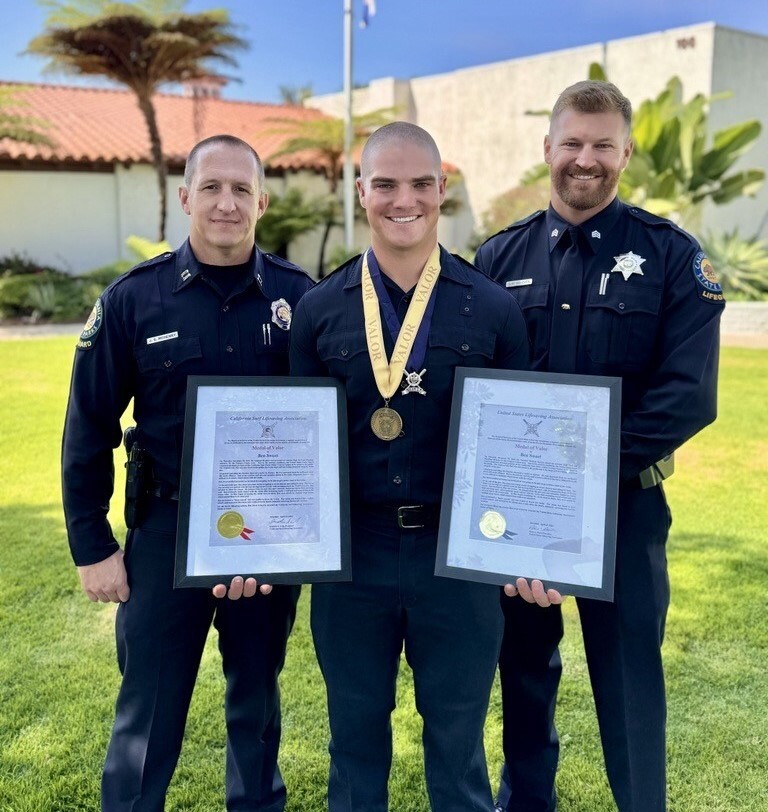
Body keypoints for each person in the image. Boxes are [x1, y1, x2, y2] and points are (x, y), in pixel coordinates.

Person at [287, 121, 561, 812]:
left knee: (458, 739)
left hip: (458, 558)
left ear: (442, 189)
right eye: (384, 184)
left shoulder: (492, 308)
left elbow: (517, 448)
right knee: (353, 741)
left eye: (418, 184)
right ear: (361, 192)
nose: (401, 199)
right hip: (354, 559)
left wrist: (529, 544)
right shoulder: (320, 310)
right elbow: (297, 448)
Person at [474, 81, 725, 812]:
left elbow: (687, 396)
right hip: (518, 518)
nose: (587, 160)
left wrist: (579, 479)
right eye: (573, 144)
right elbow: (479, 385)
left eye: (603, 146)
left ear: (626, 152)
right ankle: (526, 804)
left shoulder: (671, 256)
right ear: (547, 149)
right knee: (521, 670)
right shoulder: (498, 257)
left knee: (627, 679)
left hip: (626, 511)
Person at [61, 134, 314, 812]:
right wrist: (93, 547)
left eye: (240, 190)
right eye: (211, 188)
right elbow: (88, 426)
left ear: (260, 201)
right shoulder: (133, 301)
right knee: (147, 709)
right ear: (185, 197)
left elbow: (327, 429)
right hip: (166, 531)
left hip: (267, 538)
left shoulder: (302, 299)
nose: (226, 203)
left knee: (256, 703)